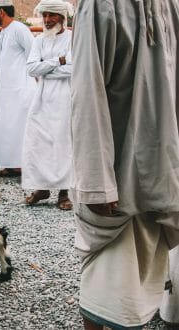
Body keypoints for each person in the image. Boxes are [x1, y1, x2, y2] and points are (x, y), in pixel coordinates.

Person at [71, 0, 179, 329]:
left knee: (147, 272)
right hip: (117, 170)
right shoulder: (99, 4)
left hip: (161, 161)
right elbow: (87, 89)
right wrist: (97, 181)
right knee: (108, 281)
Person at [21, 0, 74, 211]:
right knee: (38, 141)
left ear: (62, 17)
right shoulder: (39, 40)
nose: (47, 20)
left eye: (52, 15)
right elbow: (32, 69)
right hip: (41, 98)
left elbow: (75, 69)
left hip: (66, 97)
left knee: (64, 143)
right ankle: (42, 188)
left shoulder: (73, 39)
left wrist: (48, 67)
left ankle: (65, 191)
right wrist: (58, 61)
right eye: (44, 15)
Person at [0, 0, 36, 178]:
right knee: (6, 126)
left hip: (19, 88)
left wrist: (29, 82)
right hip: (6, 89)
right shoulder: (4, 32)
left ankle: (21, 165)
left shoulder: (19, 29)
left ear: (1, 12)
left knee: (18, 126)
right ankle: (11, 164)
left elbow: (32, 53)